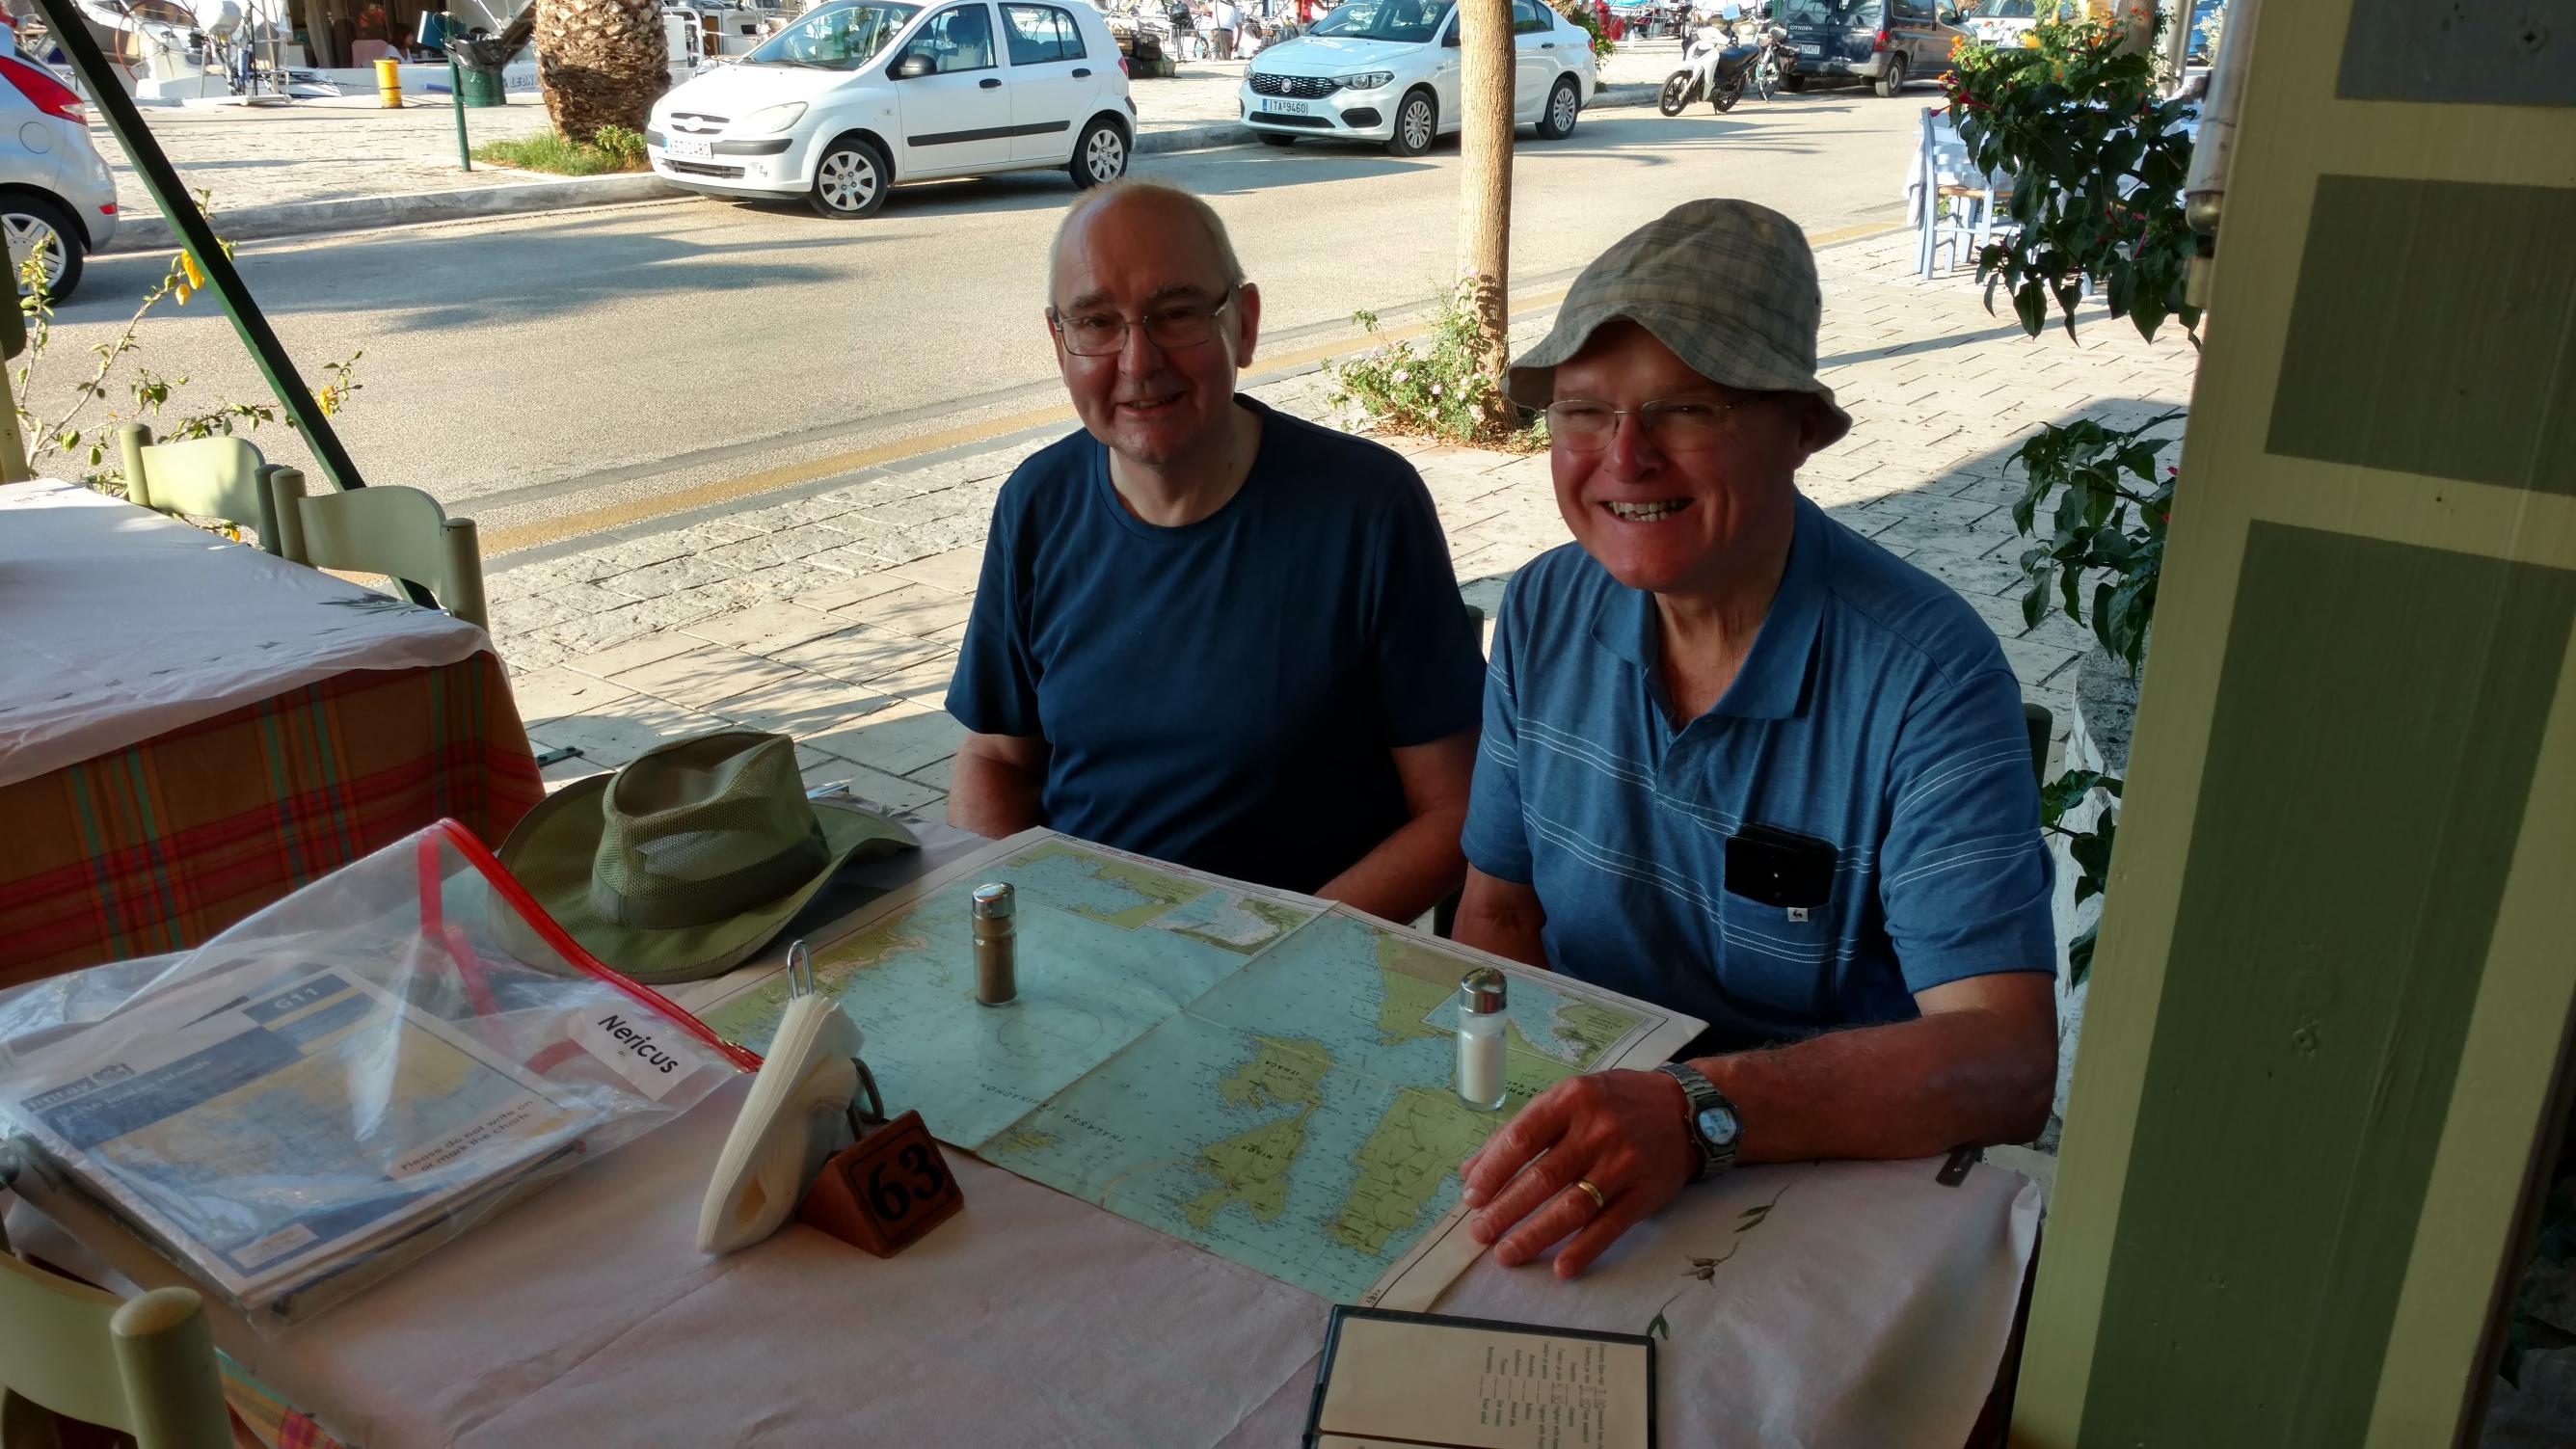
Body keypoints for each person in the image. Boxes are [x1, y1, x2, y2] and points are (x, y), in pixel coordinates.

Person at [1451, 200, 2058, 1279]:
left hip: (1814, 1187)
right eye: (1582, 413)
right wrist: (1535, 1113)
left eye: (1686, 409)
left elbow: (2003, 1061)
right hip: (1590, 1171)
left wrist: (1689, 1116)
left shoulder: (1925, 675)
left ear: (1800, 431)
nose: (1623, 458)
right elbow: (1497, 908)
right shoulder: (1543, 610)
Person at [945, 181, 1485, 925]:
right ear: (1060, 342)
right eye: (1098, 322)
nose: (1139, 360)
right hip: (1083, 949)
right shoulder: (1036, 504)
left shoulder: (1367, 507)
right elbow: (996, 760)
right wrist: (1022, 919)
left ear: (1246, 324)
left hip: (1297, 965)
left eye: (1176, 314)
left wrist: (1269, 950)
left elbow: (1456, 810)